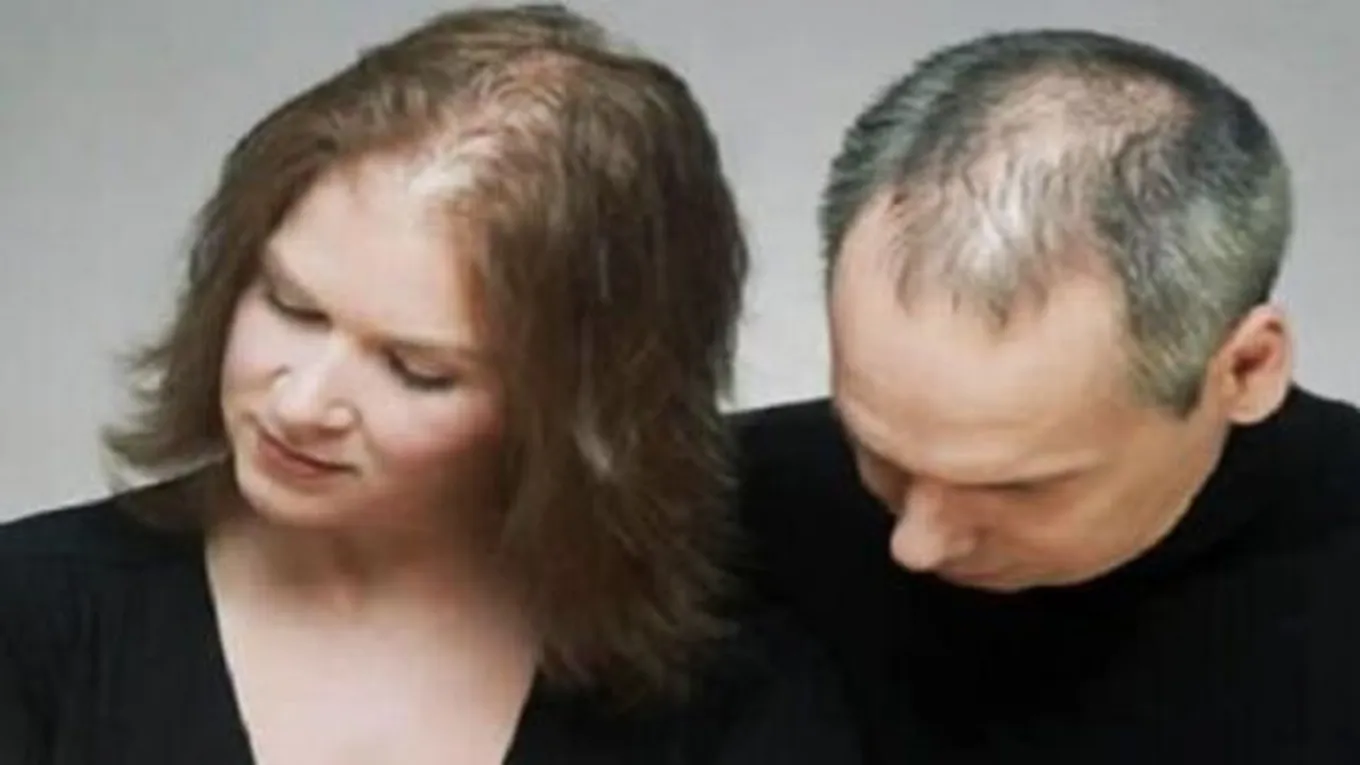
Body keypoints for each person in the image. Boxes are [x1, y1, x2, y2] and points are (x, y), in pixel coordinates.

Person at [0, 5, 860, 763]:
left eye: (417, 370)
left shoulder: (729, 693)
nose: (301, 403)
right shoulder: (29, 616)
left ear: (577, 406)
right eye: (291, 306)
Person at [735, 28, 1360, 765]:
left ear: (1246, 371)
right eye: (874, 451)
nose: (917, 545)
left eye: (1017, 487)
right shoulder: (703, 521)